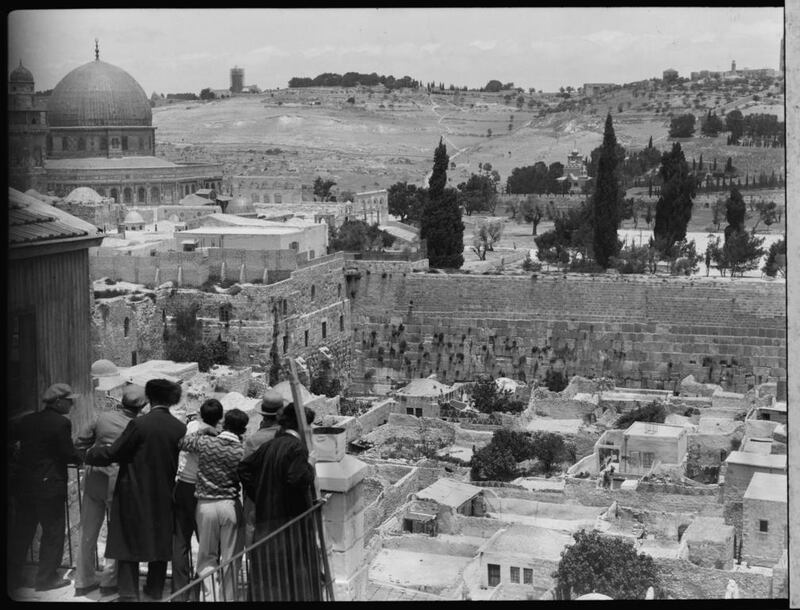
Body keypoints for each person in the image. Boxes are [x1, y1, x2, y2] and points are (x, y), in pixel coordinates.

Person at [85, 379, 185, 603]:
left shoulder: (139, 425)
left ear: (149, 398)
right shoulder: (179, 427)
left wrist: (90, 454)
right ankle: (155, 588)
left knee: (127, 538)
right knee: (159, 539)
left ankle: (129, 592)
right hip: (164, 490)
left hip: (133, 488)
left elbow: (115, 453)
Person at [73, 384, 148, 598]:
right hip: (119, 482)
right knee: (116, 534)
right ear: (141, 406)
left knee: (88, 532)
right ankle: (109, 581)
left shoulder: (101, 417)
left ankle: (83, 580)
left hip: (94, 478)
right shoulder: (137, 425)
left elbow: (80, 442)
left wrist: (87, 459)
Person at [238, 404, 319, 601]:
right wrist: (310, 465)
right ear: (303, 426)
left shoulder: (270, 445)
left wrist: (261, 495)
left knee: (268, 576)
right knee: (291, 574)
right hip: (289, 523)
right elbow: (297, 478)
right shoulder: (297, 448)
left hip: (267, 518)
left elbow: (244, 468)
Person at [7, 383, 82, 592]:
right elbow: (68, 453)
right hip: (49, 487)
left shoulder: (27, 420)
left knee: (22, 532)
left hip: (25, 485)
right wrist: (82, 458)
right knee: (53, 531)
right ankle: (46, 578)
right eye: (70, 401)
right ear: (58, 402)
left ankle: (12, 576)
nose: (72, 404)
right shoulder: (61, 423)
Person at [179, 408, 249, 601]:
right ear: (242, 430)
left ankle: (210, 597)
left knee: (206, 557)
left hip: (205, 505)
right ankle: (228, 598)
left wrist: (203, 430)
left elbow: (183, 443)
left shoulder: (206, 442)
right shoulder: (241, 451)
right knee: (231, 558)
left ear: (224, 424)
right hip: (230, 505)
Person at [171, 398, 223, 602]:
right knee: (208, 543)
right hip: (204, 490)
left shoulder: (191, 427)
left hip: (183, 485)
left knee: (180, 541)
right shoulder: (217, 438)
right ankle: (199, 588)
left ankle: (179, 593)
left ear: (200, 414)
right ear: (219, 418)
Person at [241, 390, 285, 547]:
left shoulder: (255, 440)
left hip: (257, 495)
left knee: (252, 530)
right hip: (282, 496)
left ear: (263, 415)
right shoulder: (287, 436)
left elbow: (245, 469)